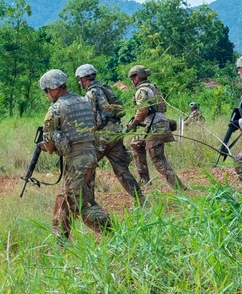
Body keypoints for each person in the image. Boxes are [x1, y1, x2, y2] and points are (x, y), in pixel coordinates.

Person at [37, 69, 111, 239]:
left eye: (46, 91)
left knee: (81, 205)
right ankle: (60, 241)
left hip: (77, 161)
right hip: (90, 155)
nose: (46, 95)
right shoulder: (84, 100)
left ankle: (116, 235)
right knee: (64, 200)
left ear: (54, 88)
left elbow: (49, 143)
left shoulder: (56, 108)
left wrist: (48, 147)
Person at [75, 64, 144, 204]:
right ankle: (141, 200)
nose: (79, 82)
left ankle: (90, 204)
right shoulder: (104, 88)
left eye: (79, 79)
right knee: (121, 169)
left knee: (88, 167)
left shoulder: (91, 94)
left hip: (103, 136)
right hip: (115, 134)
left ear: (84, 78)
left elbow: (92, 119)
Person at [125, 65, 185, 190]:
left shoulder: (142, 91)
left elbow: (143, 110)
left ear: (138, 76)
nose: (132, 80)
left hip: (154, 126)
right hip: (156, 124)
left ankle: (179, 187)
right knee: (136, 144)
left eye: (133, 77)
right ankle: (144, 180)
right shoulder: (154, 88)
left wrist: (134, 123)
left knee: (158, 160)